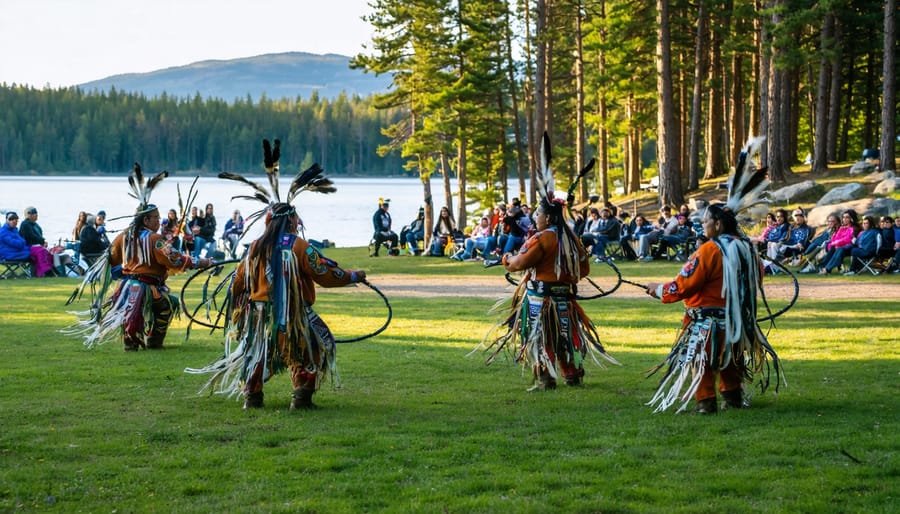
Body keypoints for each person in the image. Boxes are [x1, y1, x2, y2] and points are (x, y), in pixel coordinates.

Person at [187, 140, 366, 410]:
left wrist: (239, 308)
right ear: (291, 221)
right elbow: (326, 274)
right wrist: (353, 276)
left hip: (259, 315)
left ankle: (253, 397)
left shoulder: (254, 249)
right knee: (316, 344)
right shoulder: (298, 246)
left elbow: (238, 283)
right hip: (292, 315)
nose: (297, 223)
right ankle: (301, 396)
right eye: (295, 220)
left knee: (258, 354)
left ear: (269, 221)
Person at [644, 137, 783, 414]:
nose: (702, 224)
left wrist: (659, 289)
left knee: (702, 359)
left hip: (707, 320)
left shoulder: (709, 250)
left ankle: (706, 402)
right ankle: (732, 397)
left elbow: (686, 283)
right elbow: (757, 277)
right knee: (729, 357)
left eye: (706, 221)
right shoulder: (746, 248)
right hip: (735, 319)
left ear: (717, 224)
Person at [475, 160, 618, 390]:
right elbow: (584, 270)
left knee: (540, 336)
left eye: (538, 214)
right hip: (565, 300)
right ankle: (572, 375)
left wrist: (506, 259)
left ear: (548, 218)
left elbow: (518, 264)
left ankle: (546, 378)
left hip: (540, 301)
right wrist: (565, 279)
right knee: (566, 336)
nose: (535, 218)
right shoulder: (572, 239)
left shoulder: (541, 239)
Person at [67, 163, 211, 350]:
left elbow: (110, 257)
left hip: (127, 287)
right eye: (156, 218)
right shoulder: (154, 239)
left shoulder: (123, 236)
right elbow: (174, 259)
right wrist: (202, 261)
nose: (159, 221)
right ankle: (153, 340)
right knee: (165, 307)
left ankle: (131, 341)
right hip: (148, 287)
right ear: (146, 220)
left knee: (132, 314)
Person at [16, 206, 55, 277]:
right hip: (28, 246)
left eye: (36, 213)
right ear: (28, 215)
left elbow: (39, 236)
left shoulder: (36, 225)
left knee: (49, 253)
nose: (36, 215)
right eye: (33, 213)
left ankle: (47, 271)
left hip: (36, 245)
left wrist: (43, 241)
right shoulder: (25, 224)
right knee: (41, 251)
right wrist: (42, 241)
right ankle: (46, 271)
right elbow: (30, 236)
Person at [818, 209, 860, 274]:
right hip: (841, 247)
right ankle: (823, 266)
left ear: (851, 218)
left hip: (851, 248)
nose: (844, 219)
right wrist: (834, 244)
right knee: (833, 248)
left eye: (847, 217)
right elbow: (836, 238)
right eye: (843, 217)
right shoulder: (842, 227)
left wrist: (837, 244)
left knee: (839, 249)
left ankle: (827, 269)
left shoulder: (854, 228)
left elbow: (848, 240)